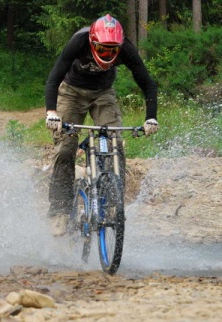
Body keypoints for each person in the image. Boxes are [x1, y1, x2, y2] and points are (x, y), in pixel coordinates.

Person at [44, 14, 159, 236]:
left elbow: (148, 83)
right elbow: (54, 78)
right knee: (66, 149)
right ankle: (60, 211)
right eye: (103, 49)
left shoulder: (126, 47)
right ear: (93, 41)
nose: (108, 54)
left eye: (113, 51)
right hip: (71, 92)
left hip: (103, 94)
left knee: (115, 144)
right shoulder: (79, 41)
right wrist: (51, 113)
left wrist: (150, 117)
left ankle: (114, 205)